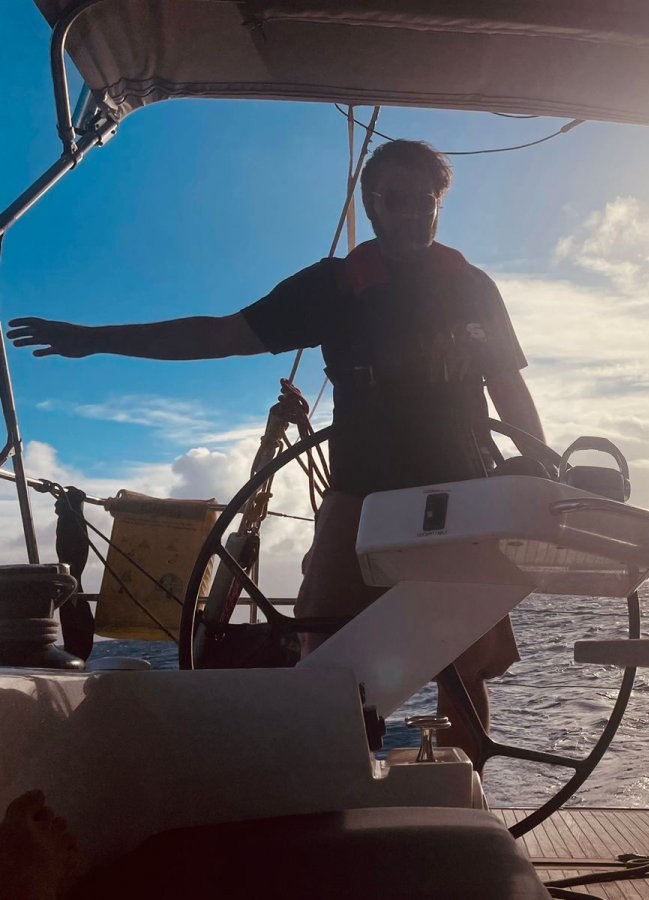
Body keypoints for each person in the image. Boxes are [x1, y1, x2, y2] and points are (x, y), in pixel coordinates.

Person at [7, 139, 544, 760]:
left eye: (425, 199)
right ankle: (332, 793)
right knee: (323, 649)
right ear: (371, 206)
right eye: (396, 199)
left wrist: (543, 469)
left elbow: (509, 385)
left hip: (466, 498)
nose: (411, 212)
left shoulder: (473, 287)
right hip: (362, 498)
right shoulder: (332, 287)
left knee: (466, 659)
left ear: (438, 205)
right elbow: (222, 333)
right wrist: (95, 339)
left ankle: (466, 794)